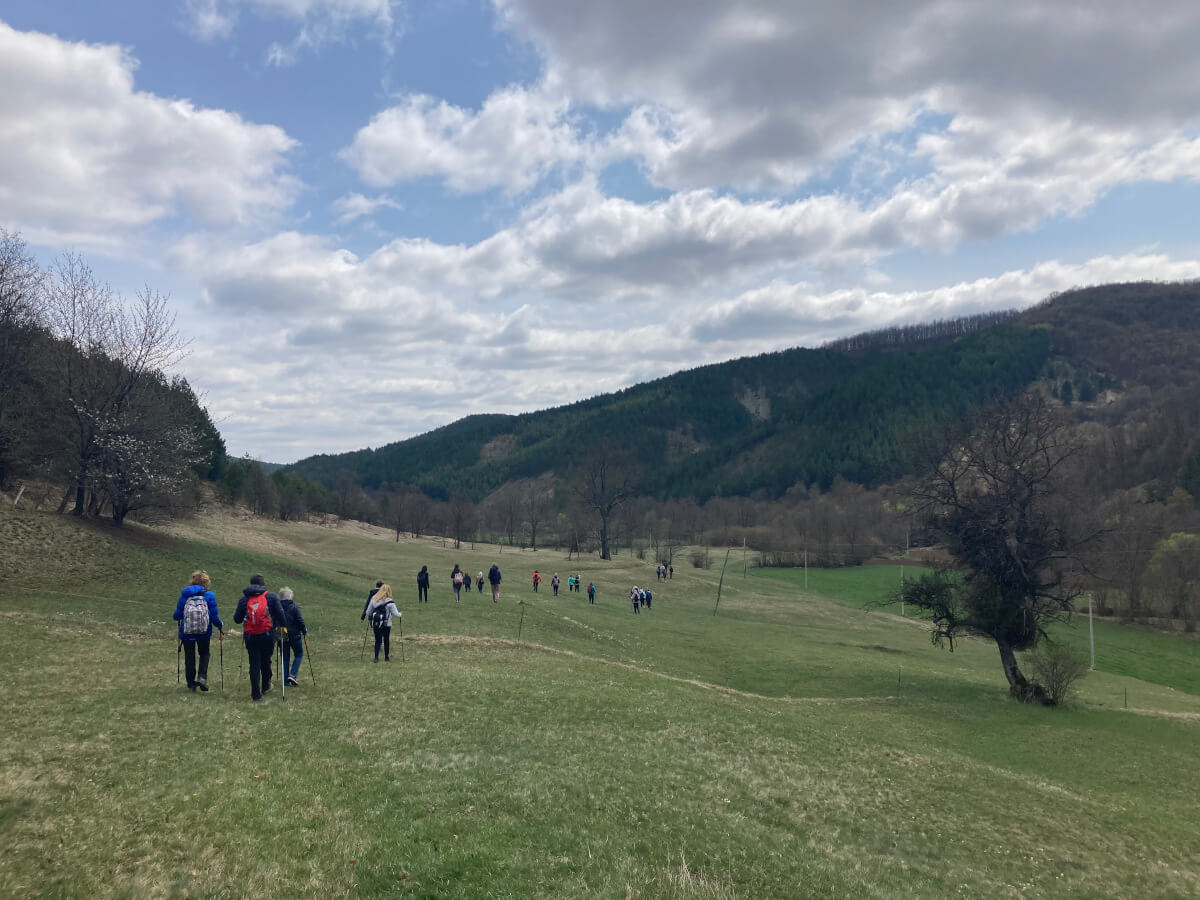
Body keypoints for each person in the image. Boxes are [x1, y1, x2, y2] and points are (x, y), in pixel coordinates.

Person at [233, 574, 285, 701]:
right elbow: (281, 615)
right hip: (267, 635)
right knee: (266, 660)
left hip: (251, 637)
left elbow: (237, 619)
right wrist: (280, 626)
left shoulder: (244, 599)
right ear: (264, 583)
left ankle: (255, 694)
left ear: (250, 584)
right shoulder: (271, 596)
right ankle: (266, 685)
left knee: (254, 663)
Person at [173, 570, 222, 693]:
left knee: (190, 656)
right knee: (204, 653)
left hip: (187, 632)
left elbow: (177, 616)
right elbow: (213, 615)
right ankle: (202, 677)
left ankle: (191, 684)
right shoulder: (209, 595)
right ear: (206, 582)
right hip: (204, 631)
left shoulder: (185, 595)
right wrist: (219, 625)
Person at [364, 583, 401, 662]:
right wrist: (400, 614)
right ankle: (386, 657)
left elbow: (368, 612)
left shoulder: (374, 599)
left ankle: (376, 657)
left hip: (376, 623)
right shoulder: (390, 602)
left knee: (378, 640)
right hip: (386, 624)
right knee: (386, 640)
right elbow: (396, 614)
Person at [279, 587, 307, 686]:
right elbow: (300, 621)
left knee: (285, 657)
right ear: (290, 597)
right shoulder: (295, 607)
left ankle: (285, 680)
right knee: (299, 654)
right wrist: (304, 630)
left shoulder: (277, 607)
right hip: (295, 635)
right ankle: (292, 675)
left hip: (281, 634)